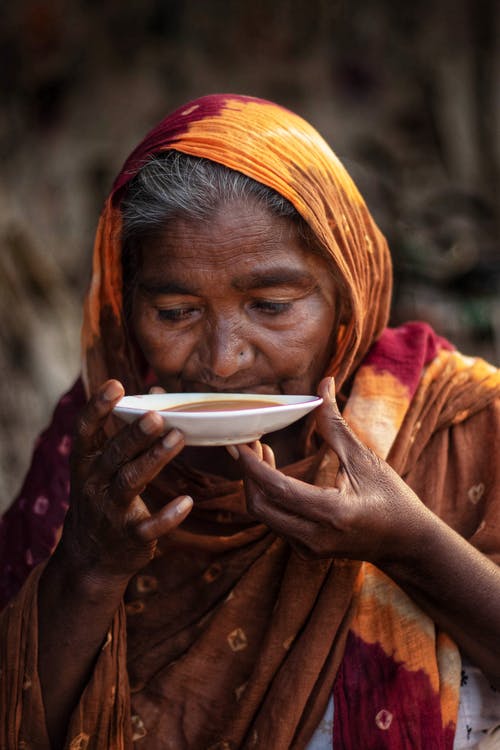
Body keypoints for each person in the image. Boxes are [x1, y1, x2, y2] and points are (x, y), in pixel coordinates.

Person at [1, 94, 500, 750]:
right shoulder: (97, 447)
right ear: (127, 304)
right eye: (175, 313)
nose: (223, 361)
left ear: (348, 290)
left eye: (271, 305)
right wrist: (90, 566)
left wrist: (408, 544)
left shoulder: (459, 422)